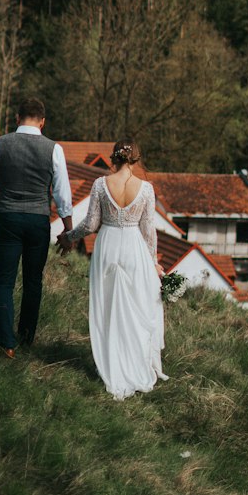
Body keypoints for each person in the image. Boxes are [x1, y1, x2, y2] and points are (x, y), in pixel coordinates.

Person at [57, 140, 167, 400]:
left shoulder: (100, 184)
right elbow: (148, 231)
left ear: (113, 158)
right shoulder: (146, 189)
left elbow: (91, 223)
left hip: (107, 246)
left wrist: (69, 236)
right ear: (136, 160)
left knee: (107, 307)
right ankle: (133, 362)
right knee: (135, 305)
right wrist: (153, 262)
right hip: (134, 248)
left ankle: (109, 361)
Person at [0, 98, 73, 358]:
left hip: (7, 216)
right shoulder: (54, 149)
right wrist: (68, 230)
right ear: (43, 122)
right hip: (37, 221)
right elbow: (62, 194)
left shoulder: (0, 143)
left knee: (4, 281)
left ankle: (7, 342)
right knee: (33, 281)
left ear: (17, 118)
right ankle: (27, 336)